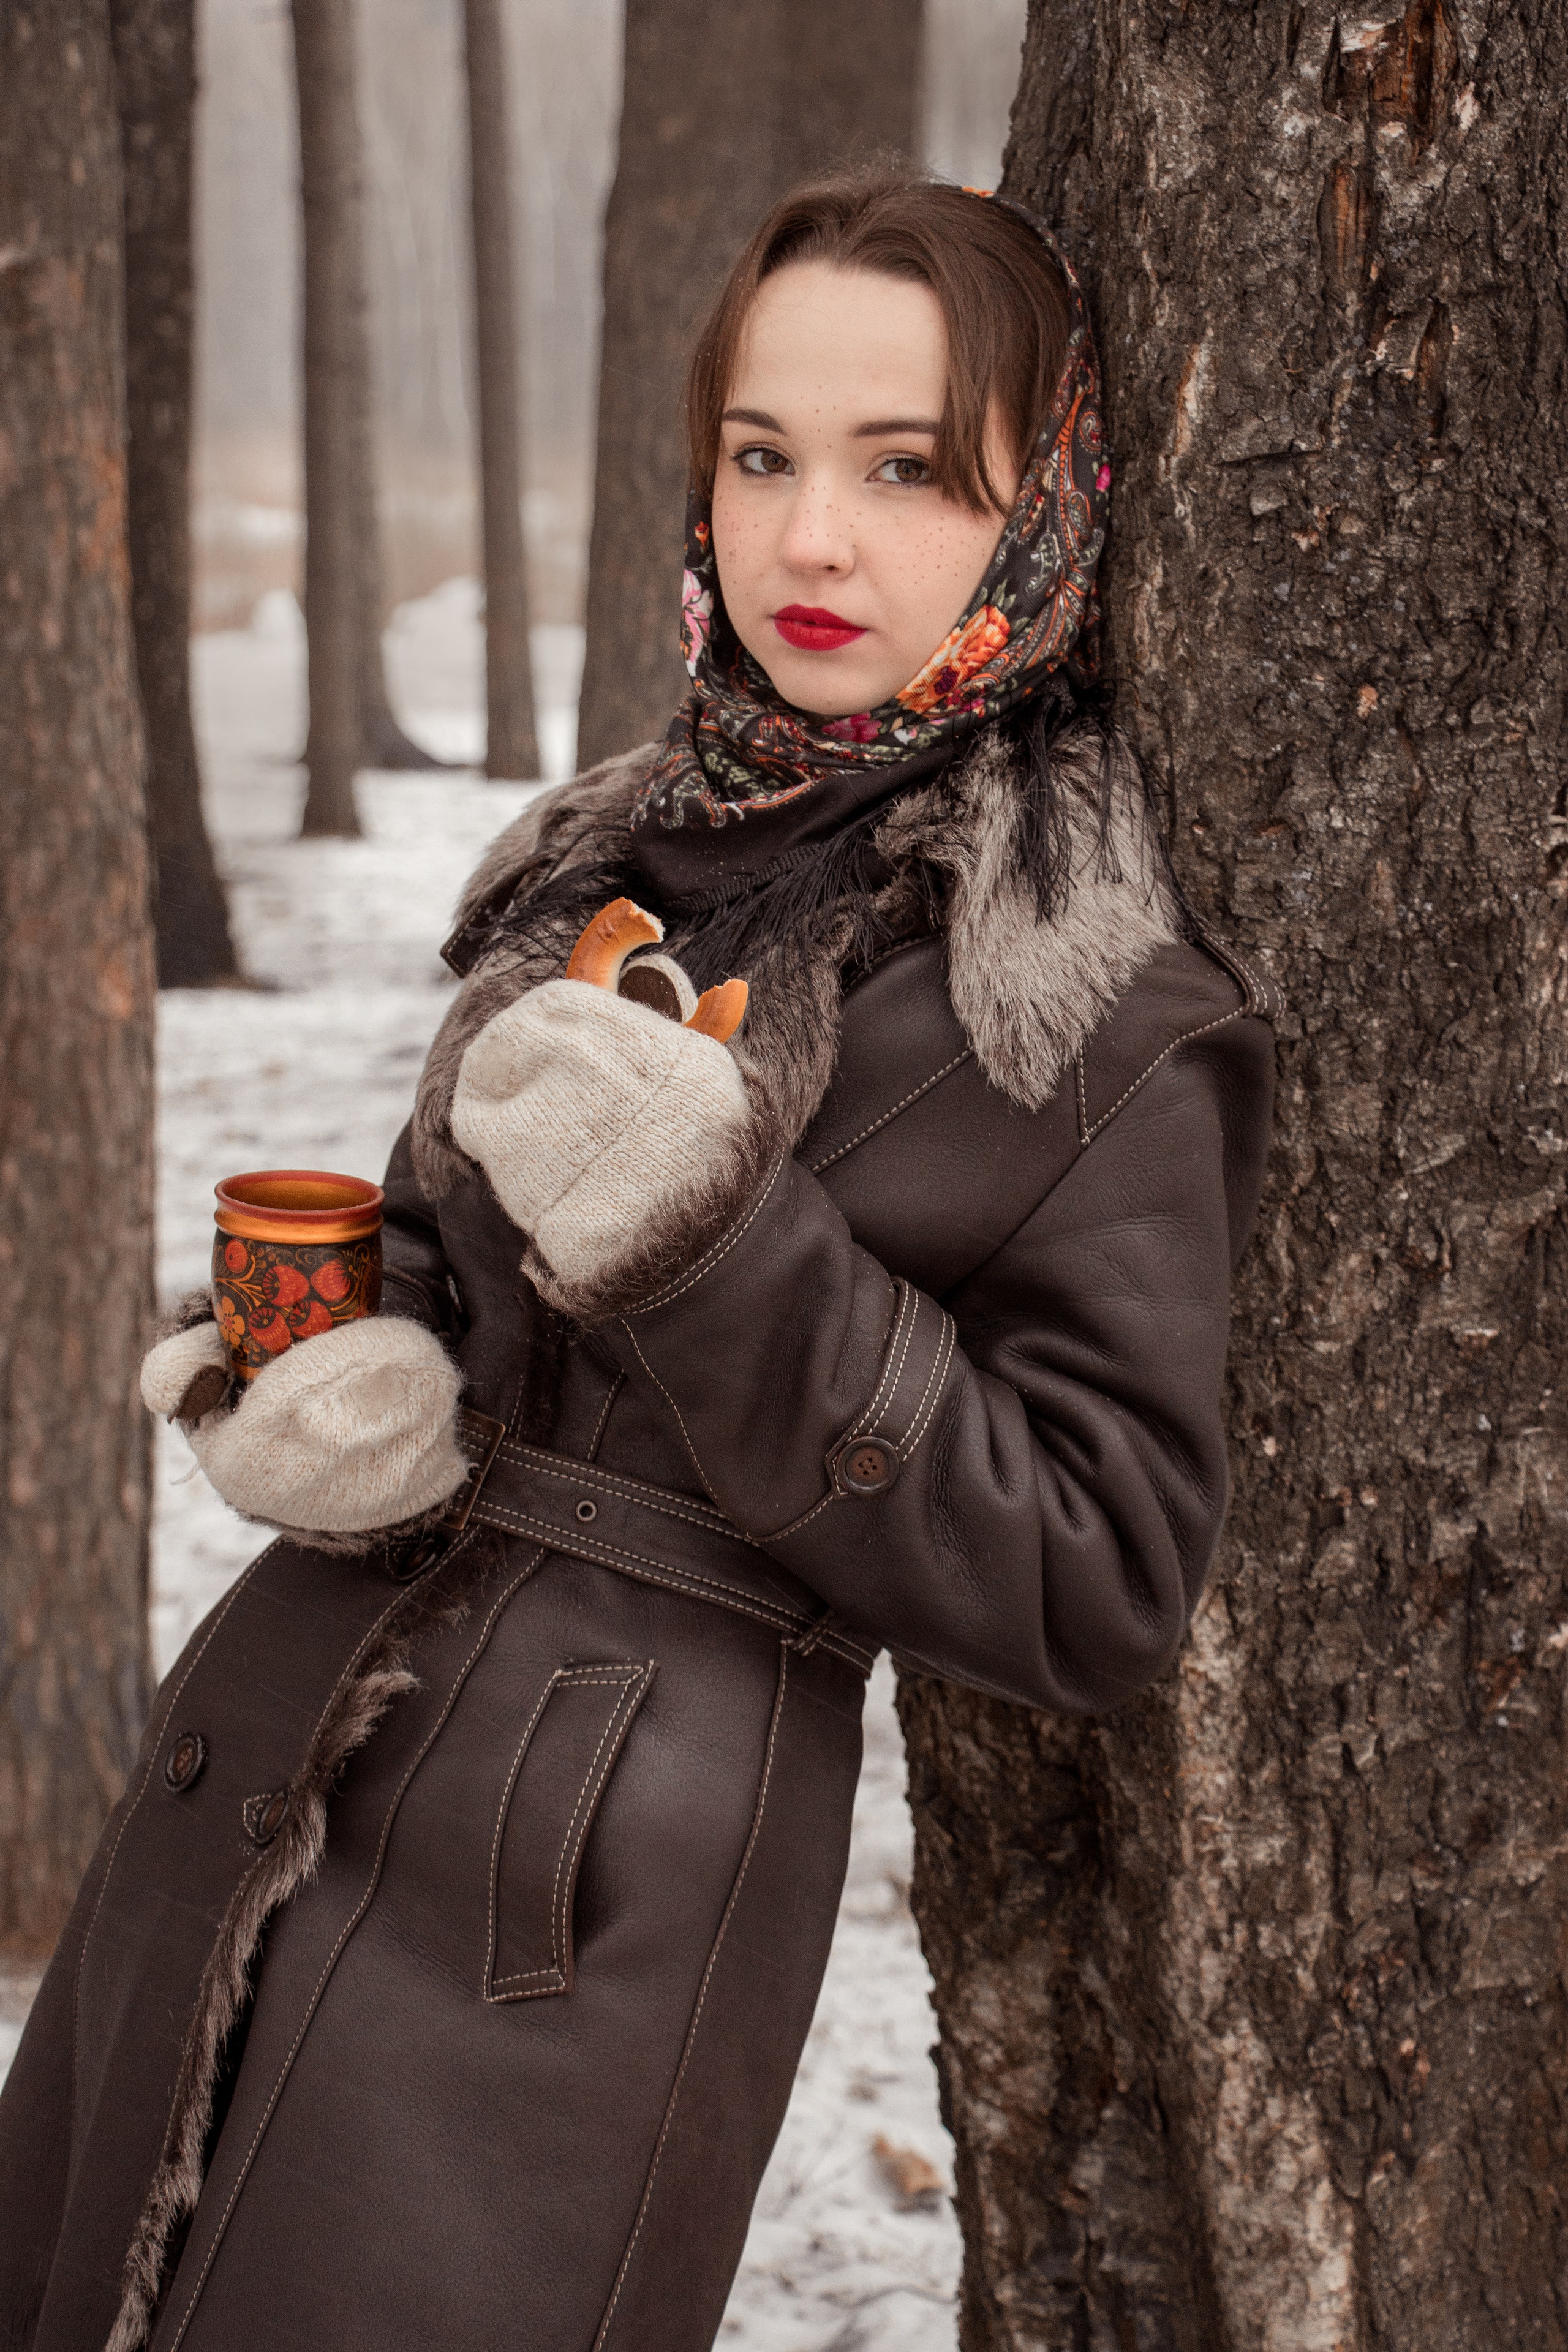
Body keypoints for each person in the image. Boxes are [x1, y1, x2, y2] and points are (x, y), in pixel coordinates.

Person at [0, 169, 1275, 2352]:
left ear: (1045, 505)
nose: (808, 542)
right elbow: (458, 1267)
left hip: (567, 1901)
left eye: (907, 475)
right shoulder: (609, 851)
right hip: (265, 1752)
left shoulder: (1088, 1008)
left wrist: (717, 1244)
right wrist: (341, 1379)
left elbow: (1099, 1571)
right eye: (763, 457)